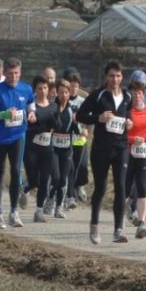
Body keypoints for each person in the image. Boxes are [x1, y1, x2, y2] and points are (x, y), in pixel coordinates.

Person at [76, 61, 133, 243]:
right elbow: (80, 115)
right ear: (106, 77)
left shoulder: (127, 96)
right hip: (102, 147)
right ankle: (94, 226)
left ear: (122, 77)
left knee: (121, 187)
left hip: (122, 147)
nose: (114, 79)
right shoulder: (98, 95)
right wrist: (98, 118)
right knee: (100, 187)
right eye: (111, 76)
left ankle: (118, 230)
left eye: (117, 76)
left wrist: (130, 123)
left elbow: (129, 116)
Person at [0, 57, 35, 229]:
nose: (13, 76)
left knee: (15, 171)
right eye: (10, 73)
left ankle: (14, 212)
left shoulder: (26, 89)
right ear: (5, 73)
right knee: (0, 173)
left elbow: (31, 103)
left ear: (20, 73)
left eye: (17, 73)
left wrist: (32, 113)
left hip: (18, 136)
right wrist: (3, 115)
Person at [124, 78, 146, 238]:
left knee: (143, 188)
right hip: (129, 153)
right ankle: (122, 219)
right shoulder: (126, 111)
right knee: (126, 187)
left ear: (144, 94)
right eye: (134, 93)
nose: (137, 96)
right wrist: (132, 139)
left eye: (139, 93)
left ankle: (142, 224)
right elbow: (121, 134)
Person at [22, 76, 56, 222]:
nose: (42, 91)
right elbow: (28, 126)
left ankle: (39, 211)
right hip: (31, 148)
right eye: (39, 88)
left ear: (49, 89)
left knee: (44, 180)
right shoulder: (31, 107)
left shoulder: (53, 106)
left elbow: (57, 124)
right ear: (34, 90)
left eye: (45, 88)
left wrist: (42, 120)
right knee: (34, 180)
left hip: (47, 147)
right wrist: (43, 121)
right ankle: (24, 189)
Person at [49, 79, 79, 219]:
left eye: (66, 92)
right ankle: (50, 199)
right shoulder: (52, 107)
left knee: (63, 179)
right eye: (60, 92)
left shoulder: (72, 109)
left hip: (67, 147)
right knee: (55, 177)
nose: (63, 95)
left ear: (69, 93)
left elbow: (77, 129)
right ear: (57, 93)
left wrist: (78, 125)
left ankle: (59, 207)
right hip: (53, 147)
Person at [64, 68, 89, 209]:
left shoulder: (83, 100)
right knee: (70, 167)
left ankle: (80, 186)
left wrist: (86, 129)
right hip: (66, 139)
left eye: (76, 86)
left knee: (83, 166)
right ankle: (70, 195)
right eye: (71, 85)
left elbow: (89, 118)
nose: (73, 89)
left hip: (80, 138)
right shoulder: (62, 99)